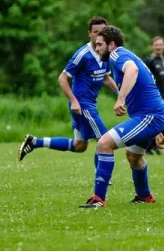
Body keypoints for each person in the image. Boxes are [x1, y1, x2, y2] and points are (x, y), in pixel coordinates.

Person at [17, 16, 119, 174]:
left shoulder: (105, 52)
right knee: (105, 139)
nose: (99, 35)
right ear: (89, 33)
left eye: (103, 32)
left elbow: (105, 78)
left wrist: (121, 95)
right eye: (96, 32)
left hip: (89, 104)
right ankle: (102, 176)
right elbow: (62, 78)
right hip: (82, 105)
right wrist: (74, 101)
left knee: (79, 146)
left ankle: (35, 142)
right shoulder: (83, 54)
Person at [80, 25, 164, 208]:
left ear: (111, 44)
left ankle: (98, 199)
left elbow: (132, 71)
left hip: (150, 116)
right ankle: (144, 197)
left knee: (104, 144)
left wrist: (120, 99)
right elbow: (147, 88)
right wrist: (156, 129)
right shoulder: (123, 54)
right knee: (133, 156)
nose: (97, 49)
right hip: (152, 116)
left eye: (99, 44)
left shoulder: (117, 55)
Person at [144, 36, 164, 155]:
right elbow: (145, 77)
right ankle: (148, 146)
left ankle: (153, 144)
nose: (158, 47)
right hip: (155, 97)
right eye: (156, 45)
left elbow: (158, 76)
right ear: (153, 46)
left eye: (160, 45)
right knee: (156, 123)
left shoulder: (163, 59)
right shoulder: (149, 61)